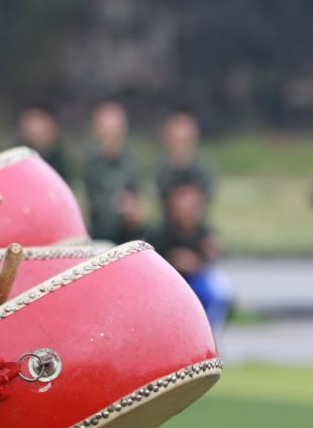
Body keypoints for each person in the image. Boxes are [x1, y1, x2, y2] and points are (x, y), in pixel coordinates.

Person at [152, 184, 227, 330]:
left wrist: (198, 260)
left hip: (196, 279)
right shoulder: (163, 232)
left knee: (217, 290)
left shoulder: (203, 231)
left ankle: (210, 331)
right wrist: (174, 261)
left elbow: (210, 257)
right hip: (170, 281)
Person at [83, 101, 143, 244]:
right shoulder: (89, 165)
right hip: (96, 238)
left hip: (127, 237)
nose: (109, 134)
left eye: (113, 129)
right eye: (105, 128)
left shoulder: (131, 164)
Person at [156, 112, 214, 222]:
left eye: (184, 141)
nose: (180, 146)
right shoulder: (163, 167)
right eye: (176, 141)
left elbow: (206, 194)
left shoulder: (201, 167)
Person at [18, 106, 69, 180]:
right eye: (29, 120)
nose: (31, 127)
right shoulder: (15, 156)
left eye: (38, 120)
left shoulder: (65, 160)